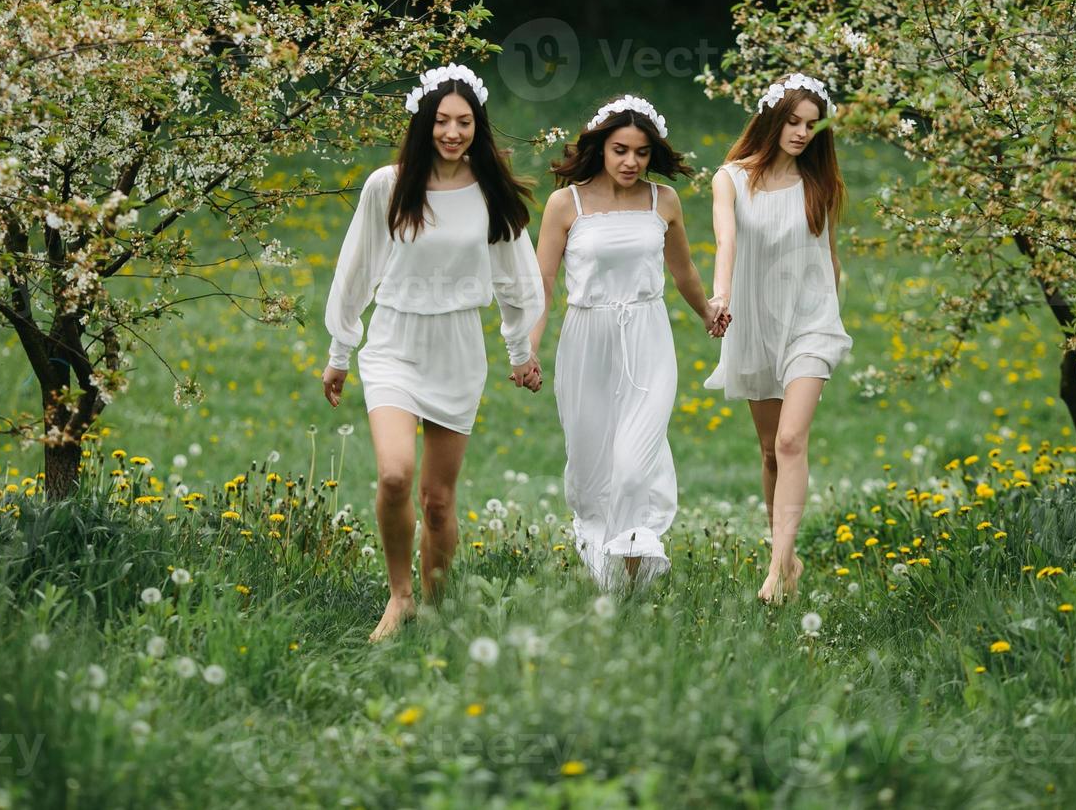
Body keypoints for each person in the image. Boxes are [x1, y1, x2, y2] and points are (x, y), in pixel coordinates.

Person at [322, 63, 545, 641]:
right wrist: (340, 351)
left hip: (458, 347)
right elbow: (357, 270)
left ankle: (435, 607)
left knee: (439, 501)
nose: (452, 132)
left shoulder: (490, 189)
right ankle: (399, 598)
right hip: (394, 342)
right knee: (395, 476)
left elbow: (518, 279)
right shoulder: (388, 185)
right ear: (424, 122)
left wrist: (521, 350)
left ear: (478, 125)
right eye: (442, 120)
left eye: (464, 122)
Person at [530, 95, 729, 591]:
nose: (630, 162)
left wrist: (706, 310)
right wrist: (526, 349)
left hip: (648, 337)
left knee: (636, 466)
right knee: (592, 464)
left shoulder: (664, 201)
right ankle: (608, 574)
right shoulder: (565, 204)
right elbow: (544, 283)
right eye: (620, 150)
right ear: (599, 148)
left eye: (641, 153)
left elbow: (682, 270)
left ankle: (636, 561)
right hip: (587, 341)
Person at [705, 73, 852, 604]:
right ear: (772, 118)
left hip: (811, 324)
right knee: (770, 450)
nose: (802, 133)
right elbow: (727, 242)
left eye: (812, 126)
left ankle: (774, 573)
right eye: (793, 121)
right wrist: (720, 297)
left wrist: (827, 310)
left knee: (791, 441)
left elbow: (829, 259)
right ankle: (787, 559)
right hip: (754, 324)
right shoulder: (731, 179)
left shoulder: (820, 184)